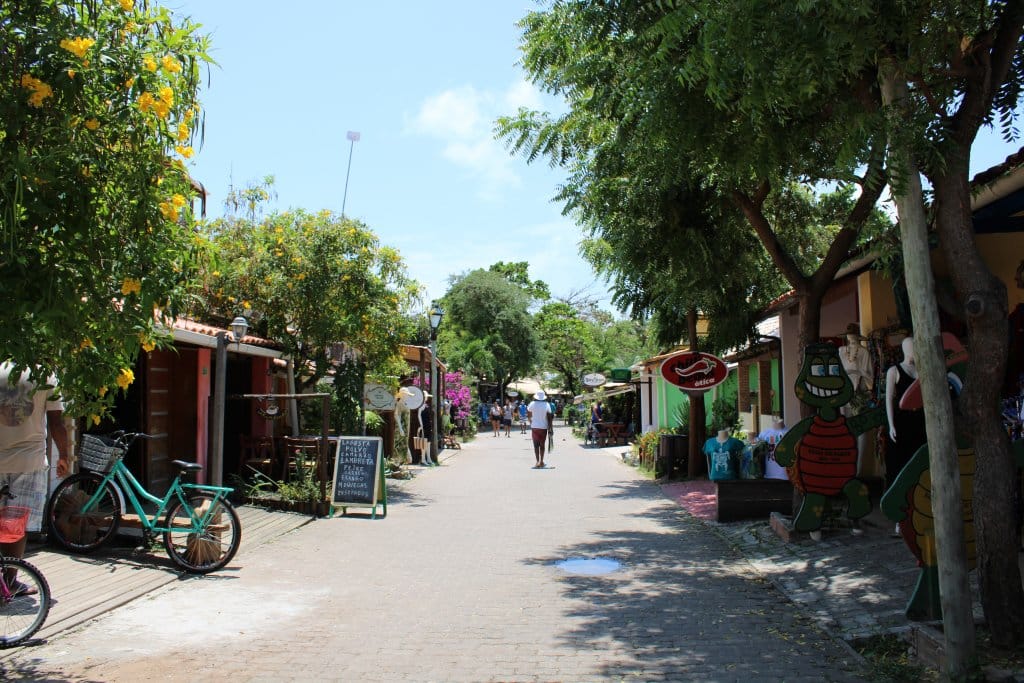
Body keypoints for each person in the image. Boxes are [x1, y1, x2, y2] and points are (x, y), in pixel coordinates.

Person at [0, 363, 70, 593]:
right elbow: (56, 423)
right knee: (16, 524)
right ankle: (10, 582)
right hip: (28, 461)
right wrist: (64, 456)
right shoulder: (45, 375)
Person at [885, 336, 927, 485]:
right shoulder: (893, 371)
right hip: (902, 420)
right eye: (914, 347)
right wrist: (891, 425)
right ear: (907, 350)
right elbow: (888, 399)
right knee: (901, 458)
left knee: (919, 455)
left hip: (920, 419)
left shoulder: (923, 369)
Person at [527, 390, 553, 468]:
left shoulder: (532, 404)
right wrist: (550, 428)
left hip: (534, 427)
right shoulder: (547, 404)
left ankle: (537, 461)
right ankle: (541, 461)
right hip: (543, 427)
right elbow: (549, 417)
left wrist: (531, 421)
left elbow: (529, 414)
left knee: (536, 445)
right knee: (542, 445)